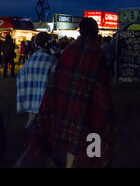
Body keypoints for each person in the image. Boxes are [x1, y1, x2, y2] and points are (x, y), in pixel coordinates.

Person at [33, 18, 114, 168]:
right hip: (89, 104)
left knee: (73, 135)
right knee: (92, 132)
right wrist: (104, 104)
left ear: (80, 31)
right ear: (95, 33)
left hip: (67, 103)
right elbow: (102, 85)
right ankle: (91, 160)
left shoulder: (69, 50)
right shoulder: (96, 53)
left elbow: (59, 79)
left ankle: (72, 163)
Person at [14, 32, 59, 167]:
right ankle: (24, 160)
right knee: (44, 136)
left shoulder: (30, 60)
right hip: (46, 105)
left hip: (31, 104)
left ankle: (30, 159)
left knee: (37, 135)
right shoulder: (53, 61)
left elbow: (20, 77)